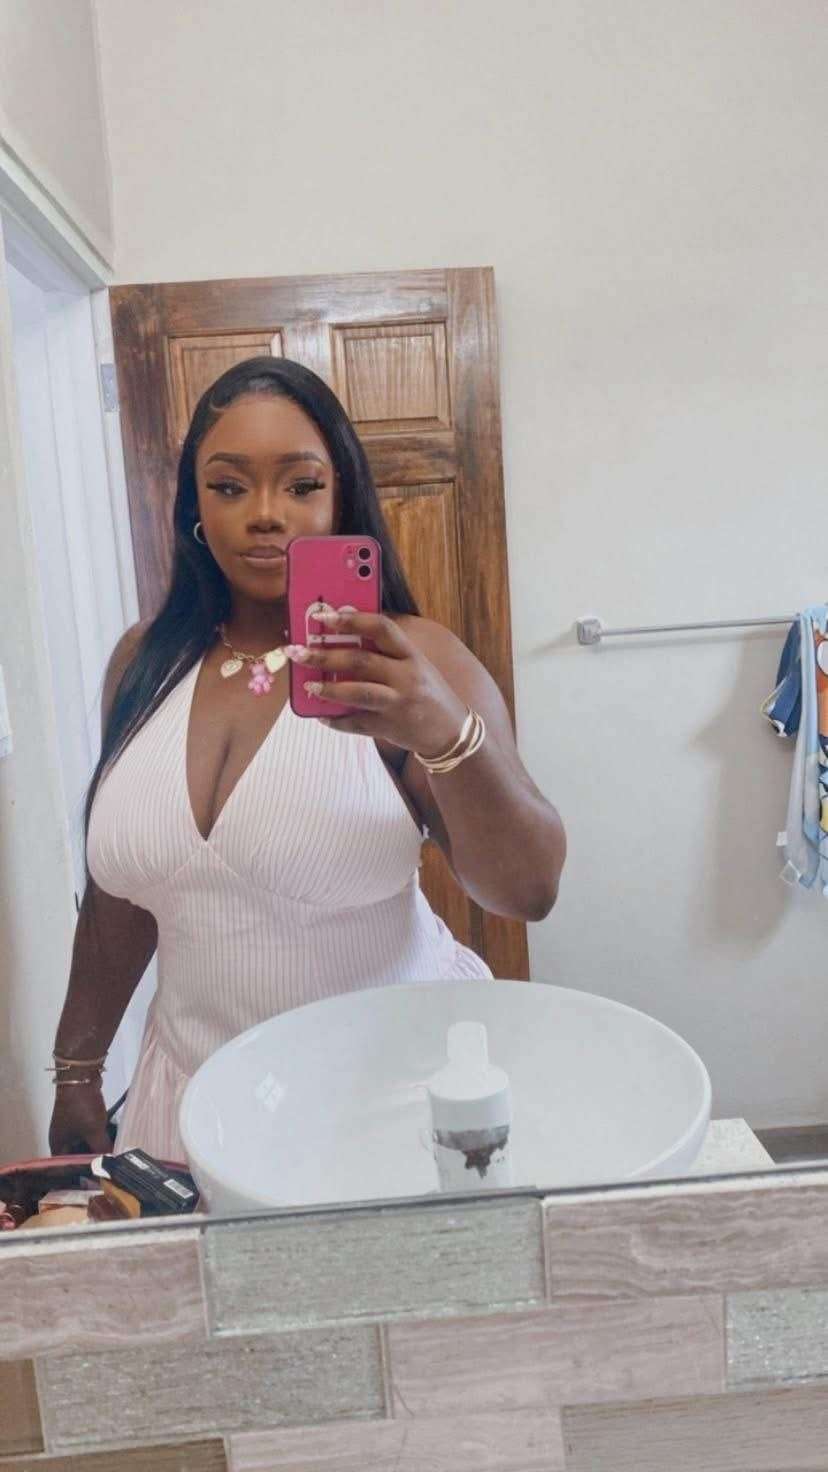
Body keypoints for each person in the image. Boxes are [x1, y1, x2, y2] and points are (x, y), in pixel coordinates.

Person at [49, 357, 566, 1162]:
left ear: (340, 499)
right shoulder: (143, 663)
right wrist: (77, 1069)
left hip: (389, 1102)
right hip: (190, 1101)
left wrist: (442, 731)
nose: (265, 515)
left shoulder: (413, 661)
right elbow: (124, 894)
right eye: (229, 487)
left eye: (300, 485)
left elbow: (528, 890)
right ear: (194, 507)